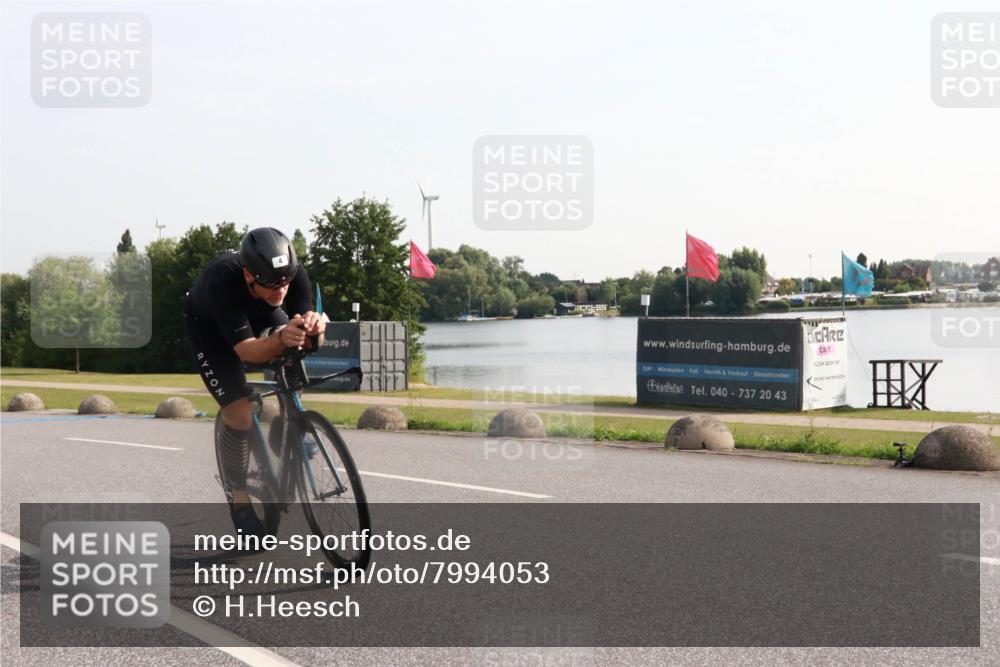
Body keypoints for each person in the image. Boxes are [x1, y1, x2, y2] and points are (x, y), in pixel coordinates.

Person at [183, 227, 327, 536]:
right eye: (271, 284)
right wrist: (279, 338)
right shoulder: (222, 280)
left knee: (294, 344)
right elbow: (247, 352)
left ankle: (287, 426)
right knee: (241, 414)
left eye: (285, 282)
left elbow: (309, 336)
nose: (281, 291)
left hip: (260, 313)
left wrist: (315, 328)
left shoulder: (290, 274)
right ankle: (240, 502)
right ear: (249, 274)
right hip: (210, 329)